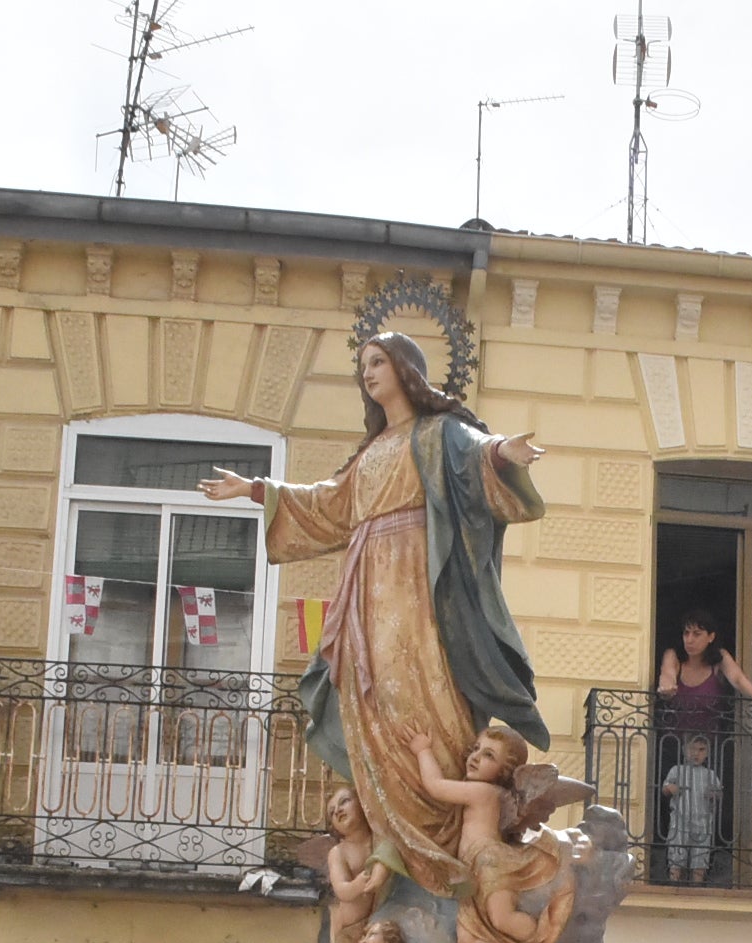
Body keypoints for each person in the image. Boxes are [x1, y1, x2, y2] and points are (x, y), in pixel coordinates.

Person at [198, 332, 548, 906]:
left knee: (425, 692)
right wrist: (256, 490)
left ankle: (443, 828)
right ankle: (396, 839)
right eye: (364, 364)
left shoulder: (436, 433)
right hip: (366, 593)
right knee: (375, 703)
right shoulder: (369, 453)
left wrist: (503, 453)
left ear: (406, 369)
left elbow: (474, 454)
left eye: (379, 362)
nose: (369, 372)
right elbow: (327, 503)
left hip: (418, 586)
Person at [661, 732, 724, 885]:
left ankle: (697, 889)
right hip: (680, 823)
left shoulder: (710, 774)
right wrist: (671, 788)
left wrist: (714, 794)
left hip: (702, 824)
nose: (696, 754)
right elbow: (665, 788)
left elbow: (719, 793)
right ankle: (674, 888)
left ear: (707, 753)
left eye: (701, 750)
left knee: (699, 862)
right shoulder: (677, 770)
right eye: (692, 749)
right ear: (684, 750)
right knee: (676, 860)